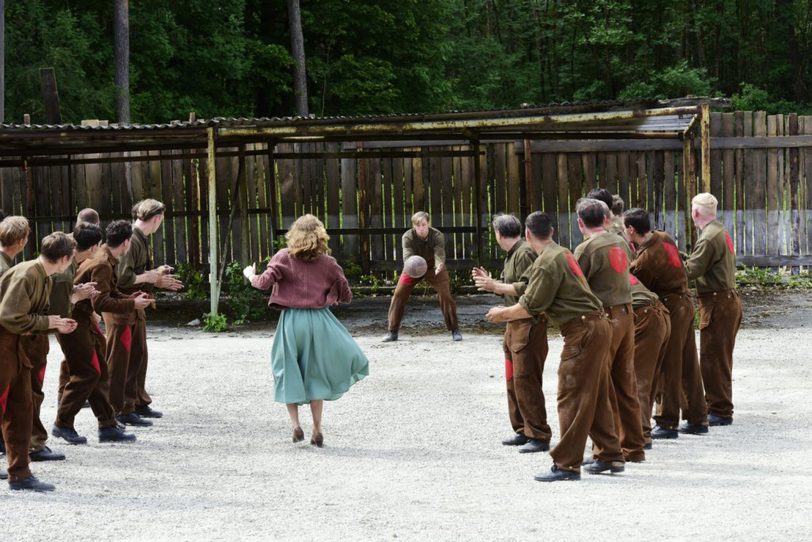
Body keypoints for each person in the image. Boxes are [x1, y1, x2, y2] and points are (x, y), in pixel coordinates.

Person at [486, 212, 621, 482]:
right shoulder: (561, 252)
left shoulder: (548, 262)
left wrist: (500, 314)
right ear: (552, 232)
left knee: (570, 395)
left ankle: (566, 465)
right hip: (596, 326)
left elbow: (529, 306)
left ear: (527, 234)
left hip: (582, 330)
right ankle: (609, 455)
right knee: (595, 393)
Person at [244, 214, 369, 447]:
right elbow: (346, 295)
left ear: (294, 234)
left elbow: (262, 283)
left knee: (287, 368)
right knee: (316, 374)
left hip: (291, 322)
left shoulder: (283, 257)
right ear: (319, 235)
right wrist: (330, 296)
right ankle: (317, 429)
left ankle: (295, 426)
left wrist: (249, 274)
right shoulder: (328, 263)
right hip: (319, 321)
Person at [0, 232, 78, 491]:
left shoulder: (43, 275)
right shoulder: (27, 274)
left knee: (21, 410)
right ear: (64, 259)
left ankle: (20, 474)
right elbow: (9, 317)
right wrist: (48, 323)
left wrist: (55, 324)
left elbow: (33, 315)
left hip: (17, 348)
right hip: (3, 346)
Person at [52, 221, 142, 445]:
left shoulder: (81, 261)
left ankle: (107, 423)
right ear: (95, 246)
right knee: (89, 372)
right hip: (72, 323)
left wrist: (130, 300)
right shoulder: (91, 263)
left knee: (99, 370)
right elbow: (98, 301)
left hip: (80, 319)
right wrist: (132, 304)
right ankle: (63, 422)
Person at [623, 207, 708, 437]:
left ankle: (667, 421)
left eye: (624, 228)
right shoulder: (663, 236)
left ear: (631, 230)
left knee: (667, 366)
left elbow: (637, 286)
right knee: (689, 362)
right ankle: (698, 417)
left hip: (671, 307)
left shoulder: (645, 260)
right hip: (686, 302)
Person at [574, 198, 646, 464]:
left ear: (580, 222)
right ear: (605, 219)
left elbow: (576, 284)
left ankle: (606, 450)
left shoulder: (586, 248)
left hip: (606, 318)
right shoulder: (619, 241)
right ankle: (634, 447)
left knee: (600, 383)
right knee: (625, 381)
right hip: (627, 314)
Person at [473, 214, 551, 454]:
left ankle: (538, 433)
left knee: (526, 380)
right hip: (514, 325)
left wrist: (494, 286)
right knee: (514, 379)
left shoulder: (524, 253)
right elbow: (515, 288)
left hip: (527, 324)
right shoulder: (515, 254)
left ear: (498, 234)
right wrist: (493, 283)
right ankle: (523, 429)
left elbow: (530, 290)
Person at [113, 199, 183, 422]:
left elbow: (137, 273)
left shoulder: (139, 238)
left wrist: (156, 278)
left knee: (139, 355)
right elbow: (123, 277)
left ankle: (137, 401)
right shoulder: (132, 240)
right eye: (161, 219)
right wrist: (150, 277)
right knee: (125, 357)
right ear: (156, 219)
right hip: (124, 304)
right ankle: (124, 408)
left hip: (137, 302)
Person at [685, 193, 742, 426]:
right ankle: (718, 405)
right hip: (727, 300)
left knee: (712, 358)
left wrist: (666, 261)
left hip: (717, 303)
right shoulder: (720, 230)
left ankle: (720, 410)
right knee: (720, 356)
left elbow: (691, 270)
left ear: (695, 212)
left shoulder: (708, 237)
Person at [382, 211, 461, 342]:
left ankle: (455, 329)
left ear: (428, 223)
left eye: (424, 225)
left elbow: (439, 253)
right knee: (398, 294)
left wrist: (439, 264)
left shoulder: (437, 235)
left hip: (433, 267)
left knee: (445, 295)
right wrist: (412, 266)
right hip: (413, 266)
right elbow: (407, 256)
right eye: (418, 225)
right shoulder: (407, 237)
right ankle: (392, 331)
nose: (421, 228)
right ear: (414, 226)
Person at [629, 274, 671, 449]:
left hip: (645, 315)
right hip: (660, 312)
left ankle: (640, 434)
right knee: (649, 378)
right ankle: (642, 431)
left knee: (638, 379)